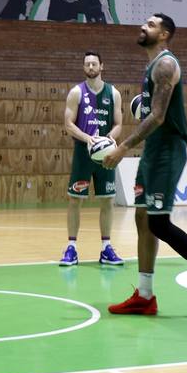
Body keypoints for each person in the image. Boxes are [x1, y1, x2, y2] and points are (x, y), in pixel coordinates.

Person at [100, 14, 187, 316]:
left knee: (158, 222)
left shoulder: (166, 65)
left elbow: (158, 116)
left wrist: (121, 148)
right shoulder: (152, 66)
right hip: (153, 150)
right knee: (143, 219)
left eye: (151, 24)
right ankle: (145, 296)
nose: (143, 26)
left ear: (164, 34)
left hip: (168, 149)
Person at [59, 51, 125, 267]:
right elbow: (68, 124)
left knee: (107, 200)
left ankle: (106, 248)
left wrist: (107, 140)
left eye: (94, 63)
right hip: (83, 153)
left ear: (101, 66)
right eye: (87, 64)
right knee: (75, 199)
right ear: (83, 67)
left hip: (106, 155)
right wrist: (89, 139)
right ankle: (71, 248)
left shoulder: (113, 93)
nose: (90, 67)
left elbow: (118, 124)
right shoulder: (76, 92)